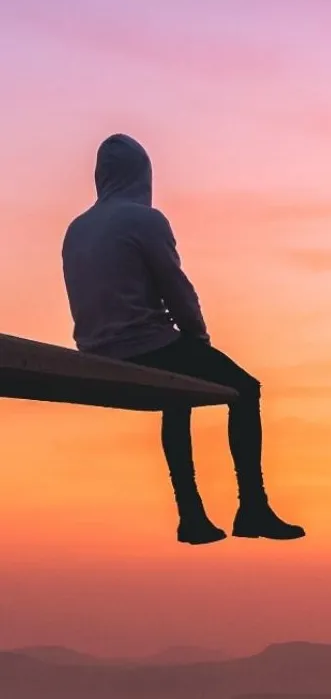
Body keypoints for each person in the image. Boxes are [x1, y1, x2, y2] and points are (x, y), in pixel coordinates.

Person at [62, 134, 305, 545]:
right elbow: (177, 289)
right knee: (245, 389)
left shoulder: (76, 228)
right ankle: (252, 507)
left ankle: (191, 515)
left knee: (178, 393)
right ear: (143, 174)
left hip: (93, 348)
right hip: (142, 345)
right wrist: (198, 336)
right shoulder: (145, 220)